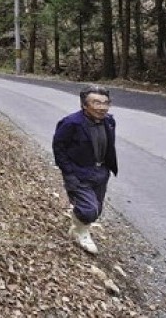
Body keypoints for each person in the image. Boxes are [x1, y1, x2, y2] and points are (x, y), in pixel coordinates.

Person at [52, 85, 118, 254]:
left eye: (105, 103)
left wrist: (107, 169)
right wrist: (68, 173)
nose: (101, 107)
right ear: (84, 105)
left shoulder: (109, 121)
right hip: (79, 173)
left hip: (101, 172)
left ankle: (78, 228)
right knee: (89, 211)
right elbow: (59, 148)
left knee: (97, 210)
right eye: (96, 102)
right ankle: (81, 232)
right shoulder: (71, 123)